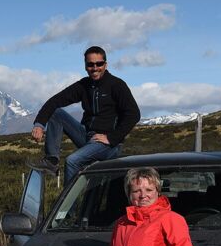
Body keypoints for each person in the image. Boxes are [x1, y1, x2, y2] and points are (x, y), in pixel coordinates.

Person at [29, 46, 141, 184]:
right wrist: (39, 124)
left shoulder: (117, 85)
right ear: (85, 66)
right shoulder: (83, 85)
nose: (95, 68)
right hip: (87, 136)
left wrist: (112, 138)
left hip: (108, 145)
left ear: (105, 64)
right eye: (90, 64)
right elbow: (55, 101)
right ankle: (52, 161)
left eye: (99, 64)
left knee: (72, 161)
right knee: (56, 113)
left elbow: (134, 114)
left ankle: (69, 205)